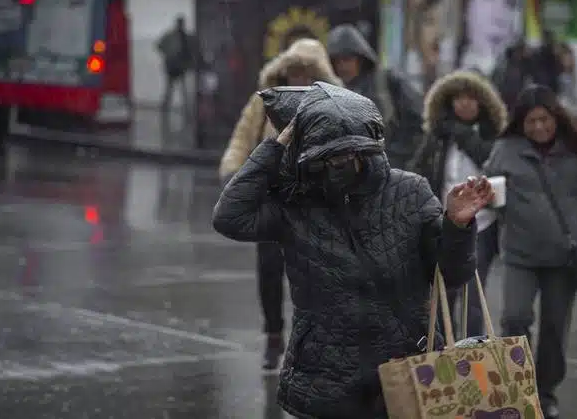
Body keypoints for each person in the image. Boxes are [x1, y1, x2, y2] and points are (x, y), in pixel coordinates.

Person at [212, 82, 494, 418]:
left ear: (366, 151)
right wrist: (274, 147)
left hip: (405, 370)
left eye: (345, 156)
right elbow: (230, 217)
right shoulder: (296, 203)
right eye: (325, 157)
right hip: (324, 376)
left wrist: (457, 226)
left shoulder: (409, 192)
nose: (336, 166)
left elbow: (454, 274)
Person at [483, 84, 577, 419]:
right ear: (520, 124)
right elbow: (488, 190)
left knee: (555, 329)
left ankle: (545, 392)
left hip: (562, 259)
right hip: (520, 256)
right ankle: (517, 389)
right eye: (530, 122)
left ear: (556, 117)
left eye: (544, 119)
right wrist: (490, 200)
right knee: (514, 319)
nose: (538, 127)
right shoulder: (504, 150)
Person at [218, 38, 341, 371]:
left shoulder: (331, 104)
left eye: (306, 72)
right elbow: (243, 138)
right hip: (272, 198)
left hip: (312, 202)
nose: (299, 79)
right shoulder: (264, 102)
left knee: (312, 275)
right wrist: (233, 173)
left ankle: (311, 342)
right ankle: (274, 334)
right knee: (269, 270)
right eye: (293, 71)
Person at [408, 70, 507, 337]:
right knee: (443, 296)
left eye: (471, 98)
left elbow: (494, 165)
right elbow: (418, 172)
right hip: (443, 223)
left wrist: (464, 135)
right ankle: (444, 357)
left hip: (483, 225)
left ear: (482, 102)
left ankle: (475, 355)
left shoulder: (492, 137)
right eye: (459, 98)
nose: (464, 104)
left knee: (474, 299)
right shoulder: (438, 136)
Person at [326, 24, 423, 170]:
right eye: (337, 61)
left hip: (388, 170)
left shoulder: (386, 82)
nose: (342, 66)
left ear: (360, 58)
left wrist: (394, 158)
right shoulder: (326, 90)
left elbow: (416, 121)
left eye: (347, 59)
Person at [156, 16, 197, 113]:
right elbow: (159, 46)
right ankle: (166, 108)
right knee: (171, 90)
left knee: (181, 90)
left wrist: (190, 63)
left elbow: (191, 51)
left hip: (180, 67)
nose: (181, 25)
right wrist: (169, 54)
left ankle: (185, 110)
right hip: (172, 66)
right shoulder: (171, 36)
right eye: (180, 23)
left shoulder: (185, 36)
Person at [491, 40, 533, 112]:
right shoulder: (503, 65)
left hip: (517, 99)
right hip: (505, 97)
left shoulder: (526, 65)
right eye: (520, 51)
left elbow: (528, 82)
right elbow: (496, 82)